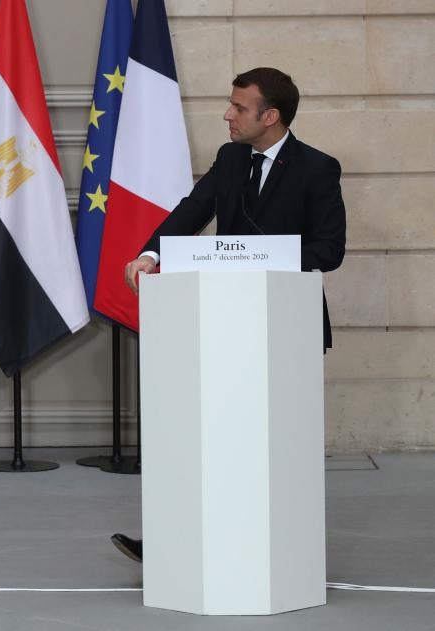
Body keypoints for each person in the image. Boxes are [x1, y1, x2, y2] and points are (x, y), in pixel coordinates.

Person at [113, 67, 346, 564]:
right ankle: (178, 547)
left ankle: (272, 554)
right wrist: (151, 255)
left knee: (268, 448)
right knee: (207, 439)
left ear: (271, 116)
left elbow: (329, 250)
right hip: (220, 324)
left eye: (239, 107)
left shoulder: (318, 168)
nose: (228, 115)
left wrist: (257, 257)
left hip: (286, 328)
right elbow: (192, 210)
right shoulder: (230, 158)